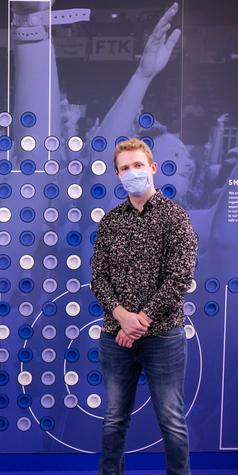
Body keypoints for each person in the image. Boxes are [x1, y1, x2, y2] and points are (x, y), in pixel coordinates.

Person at [91, 138, 198, 475]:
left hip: (163, 338)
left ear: (152, 168)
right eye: (125, 168)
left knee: (172, 420)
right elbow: (99, 277)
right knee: (113, 420)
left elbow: (179, 276)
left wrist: (143, 320)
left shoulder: (175, 218)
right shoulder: (110, 222)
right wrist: (122, 317)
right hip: (115, 337)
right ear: (117, 176)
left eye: (138, 165)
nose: (132, 172)